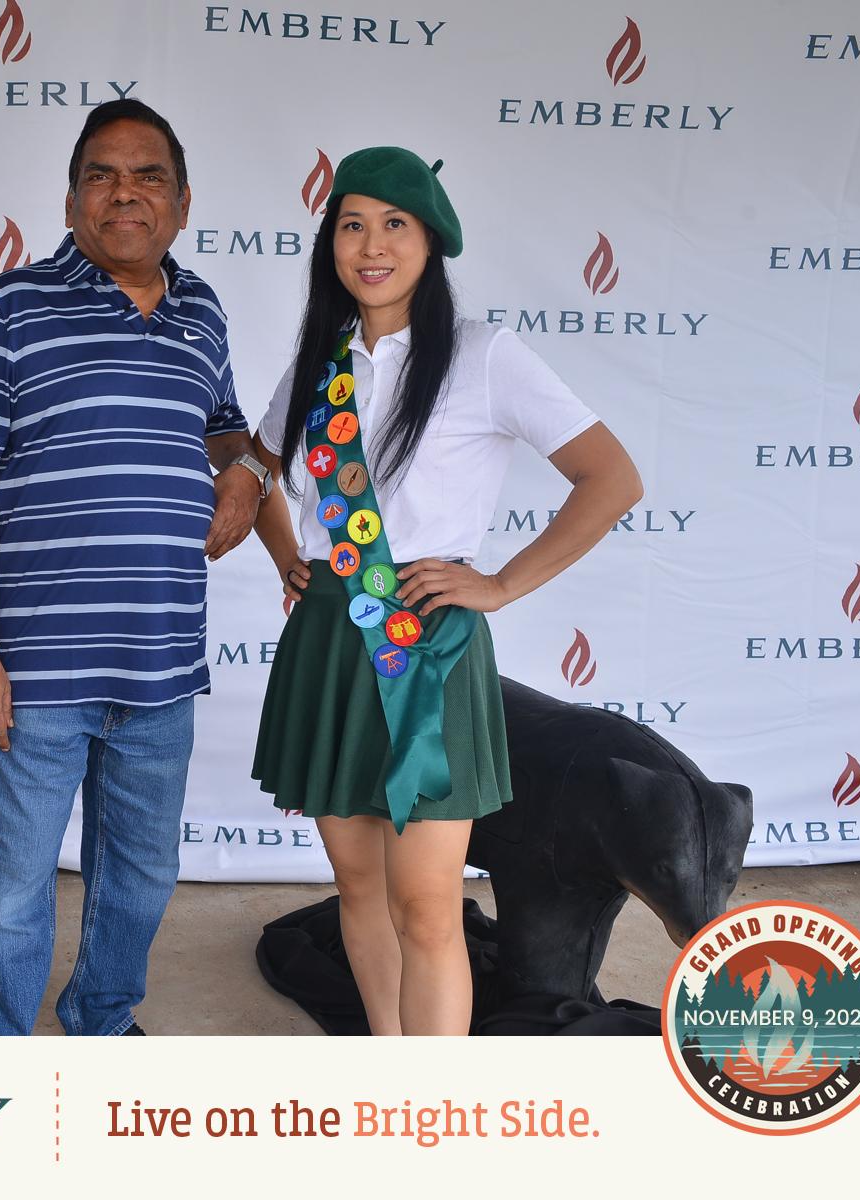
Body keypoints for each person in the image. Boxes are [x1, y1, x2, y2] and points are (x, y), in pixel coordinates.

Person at [249, 147, 643, 1036]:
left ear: (431, 245)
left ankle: (438, 1115)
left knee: (427, 906)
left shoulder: (483, 356)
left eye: (395, 225)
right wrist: (287, 556)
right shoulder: (320, 363)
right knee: (357, 887)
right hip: (328, 648)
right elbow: (252, 465)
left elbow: (611, 478)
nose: (371, 244)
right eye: (352, 224)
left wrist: (501, 583)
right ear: (330, 244)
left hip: (426, 651)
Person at [0, 99, 266, 1036]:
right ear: (73, 197)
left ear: (183, 199)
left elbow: (231, 432)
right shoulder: (9, 309)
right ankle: (0, 1050)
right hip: (35, 673)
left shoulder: (203, 310)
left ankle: (102, 1023)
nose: (126, 191)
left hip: (161, 668)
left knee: (142, 877)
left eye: (148, 174)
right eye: (102, 175)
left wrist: (244, 475)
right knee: (11, 887)